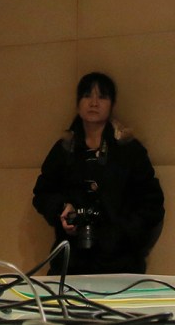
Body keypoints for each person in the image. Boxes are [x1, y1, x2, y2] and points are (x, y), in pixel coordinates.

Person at [33, 72, 164, 275]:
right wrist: (62, 208)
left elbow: (152, 204)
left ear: (112, 104)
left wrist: (119, 234)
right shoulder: (65, 149)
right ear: (78, 103)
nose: (94, 103)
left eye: (102, 96)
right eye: (87, 95)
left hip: (119, 264)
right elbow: (42, 193)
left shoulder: (128, 150)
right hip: (70, 262)